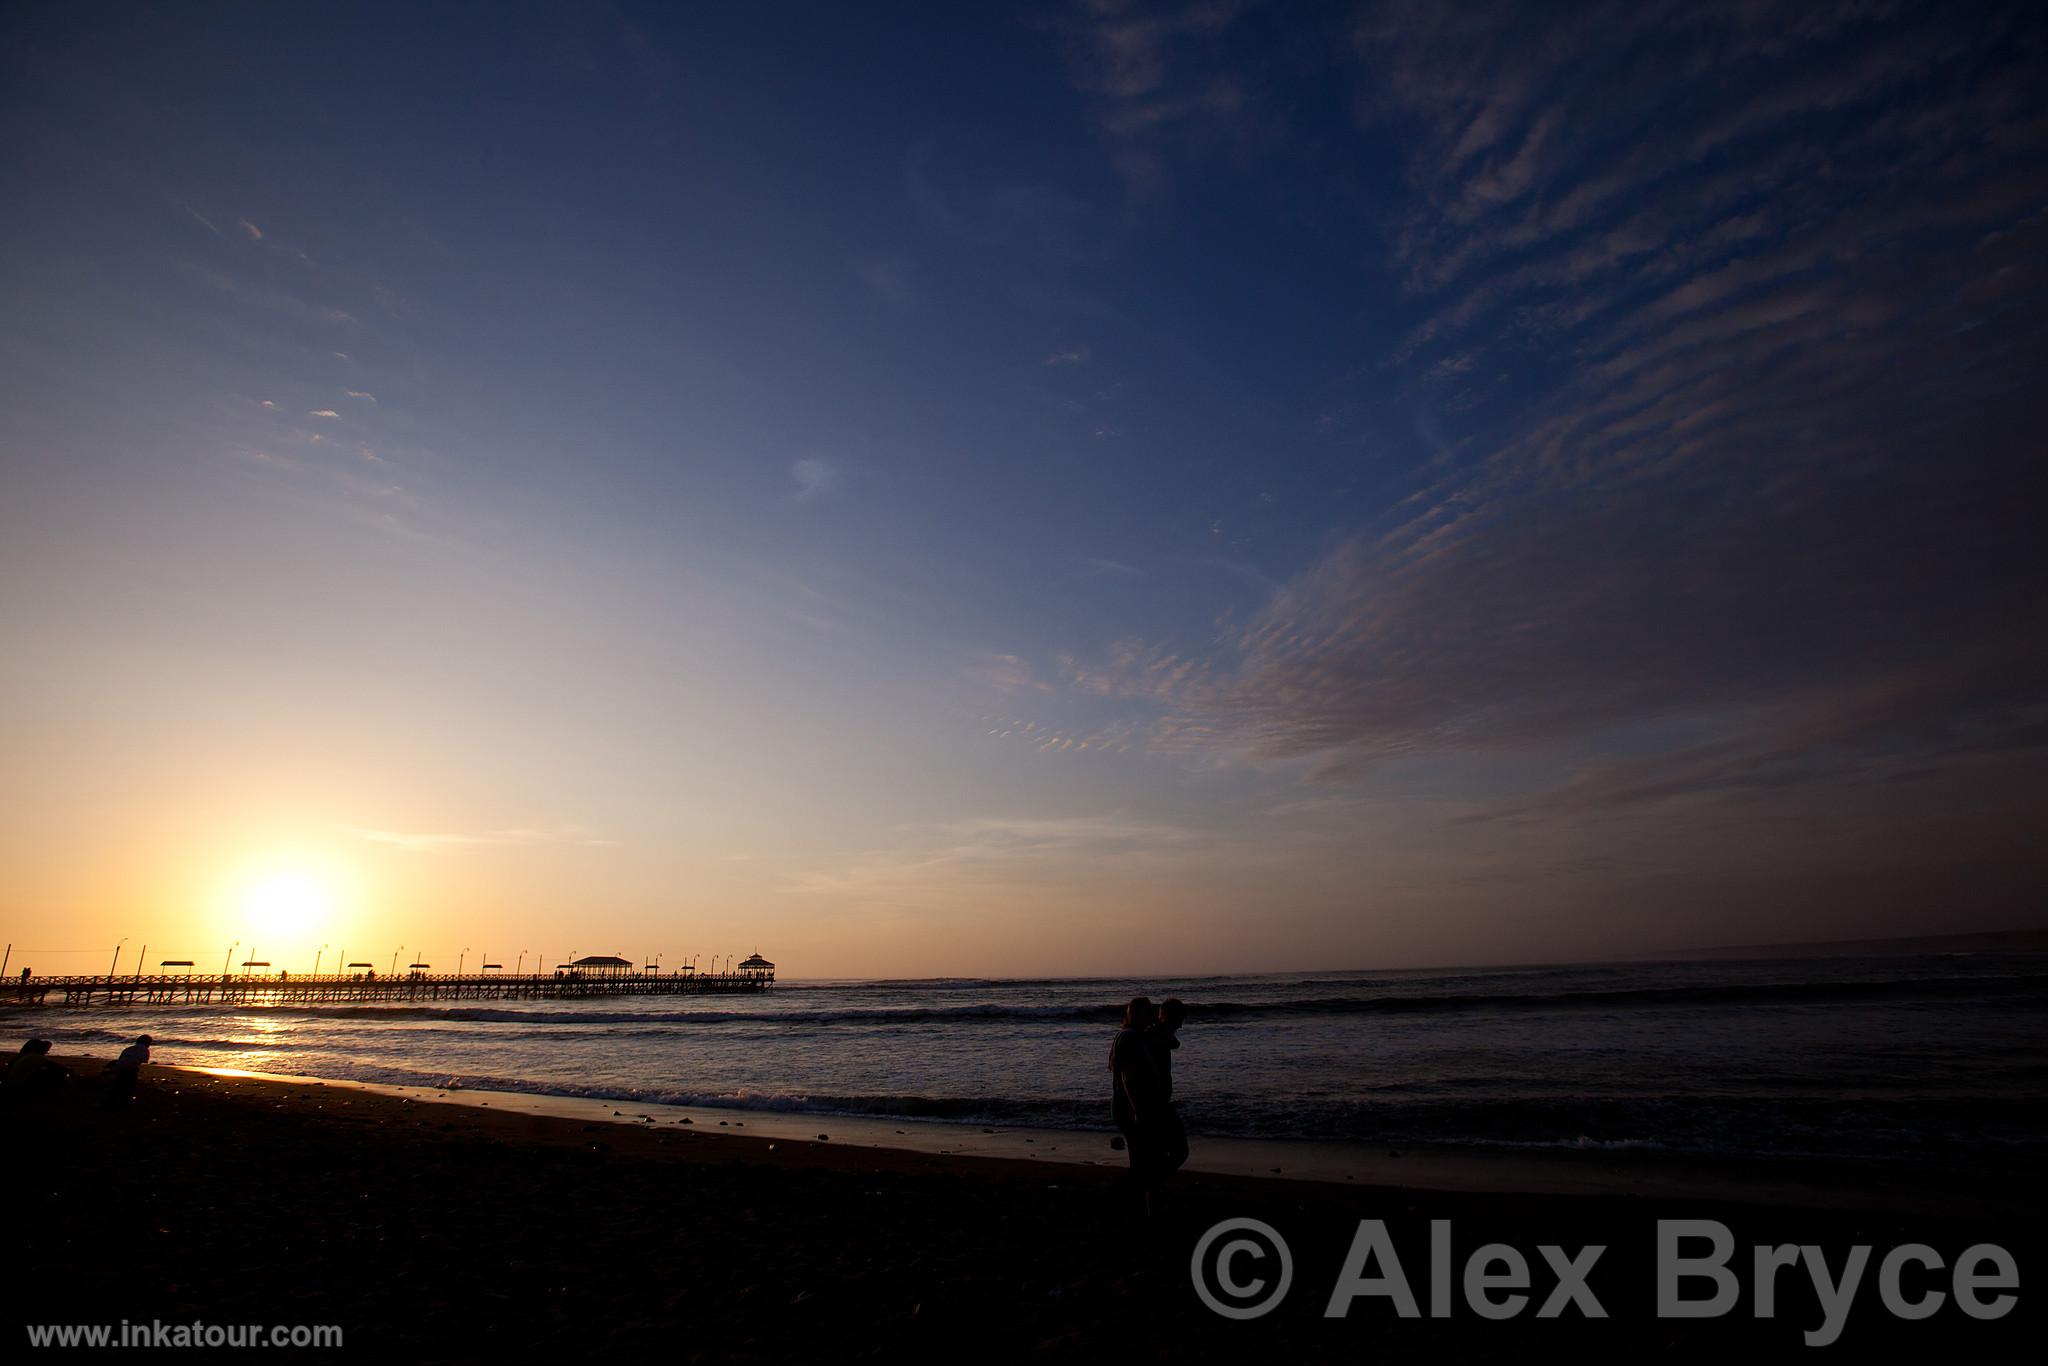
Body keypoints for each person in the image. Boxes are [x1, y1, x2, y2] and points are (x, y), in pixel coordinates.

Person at [1109, 996, 1165, 1215]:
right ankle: (1126, 1201)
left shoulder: (1127, 1036)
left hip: (1127, 1107)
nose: (1152, 1016)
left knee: (1141, 1160)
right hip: (1131, 1108)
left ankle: (1137, 1206)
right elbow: (1127, 1077)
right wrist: (1138, 1110)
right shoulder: (1131, 1038)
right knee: (1144, 1162)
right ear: (1139, 1014)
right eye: (1149, 1012)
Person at [1149, 998, 1190, 1174]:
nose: (1180, 1026)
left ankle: (1153, 1184)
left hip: (1158, 1103)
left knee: (1161, 1153)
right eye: (1179, 1020)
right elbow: (1175, 1044)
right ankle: (1153, 1180)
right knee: (1179, 1151)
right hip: (1156, 1105)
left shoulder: (1156, 1033)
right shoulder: (1156, 1035)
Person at [4, 1038, 68, 1098]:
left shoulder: (26, 1057)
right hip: (19, 1086)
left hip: (12, 1084)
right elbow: (55, 1066)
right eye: (46, 1050)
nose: (45, 1053)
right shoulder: (35, 1057)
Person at [106, 1033, 151, 1104]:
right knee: (130, 1085)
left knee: (120, 1084)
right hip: (130, 1069)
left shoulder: (128, 1049)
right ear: (148, 1043)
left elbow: (121, 1059)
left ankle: (116, 1098)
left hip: (119, 1067)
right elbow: (143, 1062)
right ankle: (126, 1100)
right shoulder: (145, 1050)